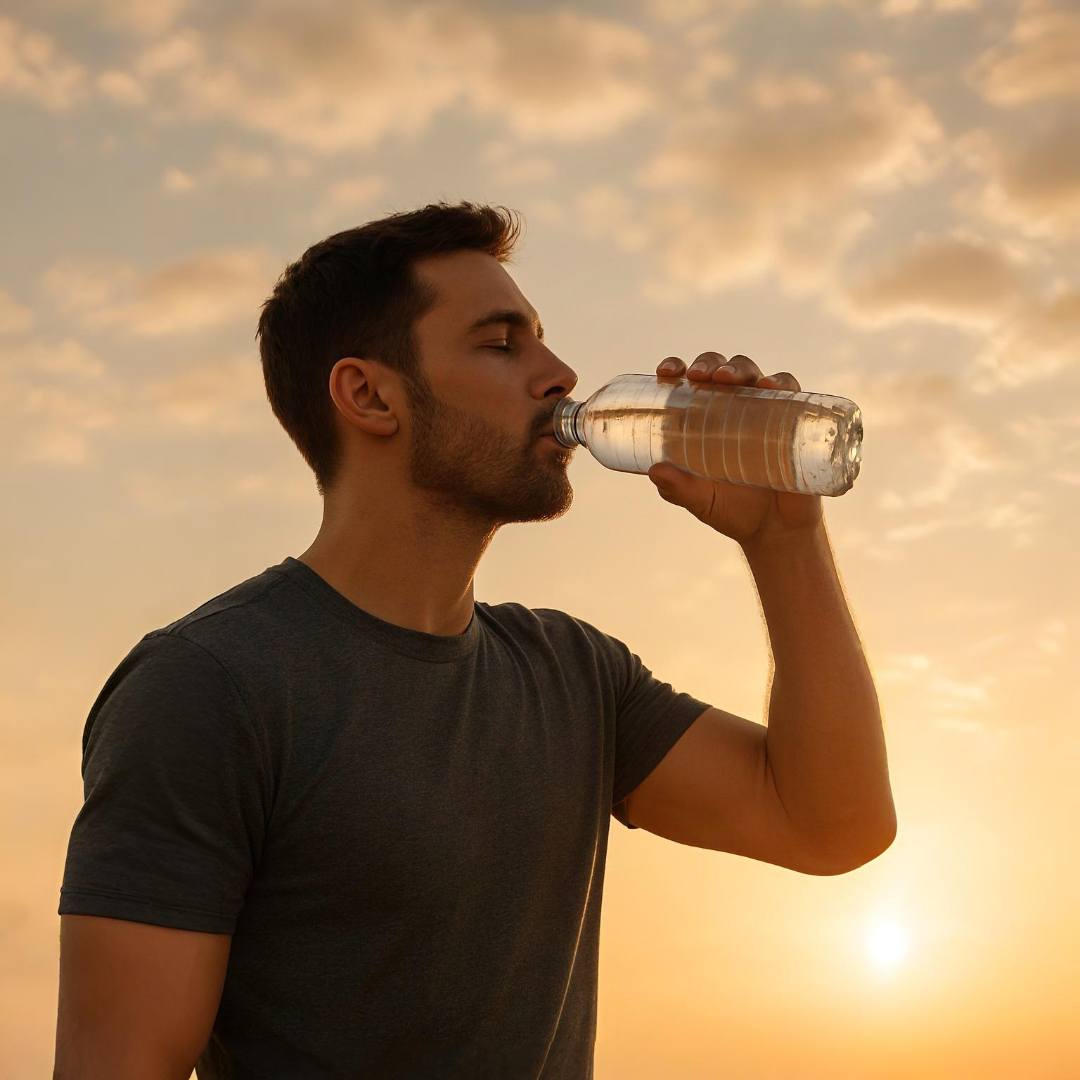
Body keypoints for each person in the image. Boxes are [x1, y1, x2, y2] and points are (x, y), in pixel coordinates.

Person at [55, 201, 894, 1079]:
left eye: (542, 340)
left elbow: (833, 826)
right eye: (503, 344)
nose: (562, 375)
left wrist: (785, 540)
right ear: (369, 395)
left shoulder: (573, 675)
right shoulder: (211, 685)